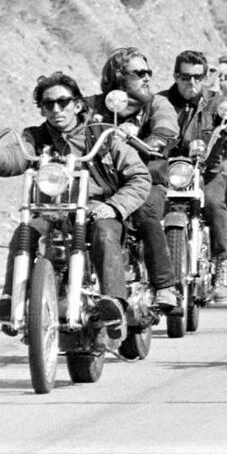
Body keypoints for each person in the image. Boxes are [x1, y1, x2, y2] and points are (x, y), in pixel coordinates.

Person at [0, 72, 152, 342]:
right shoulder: (36, 137)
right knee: (24, 233)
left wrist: (115, 206)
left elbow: (140, 177)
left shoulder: (102, 135)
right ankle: (12, 299)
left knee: (105, 234)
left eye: (63, 102)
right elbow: (15, 157)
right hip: (52, 213)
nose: (56, 109)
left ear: (78, 105)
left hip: (96, 210)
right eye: (49, 104)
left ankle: (114, 303)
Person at [87, 47, 178, 310]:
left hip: (145, 181)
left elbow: (167, 126)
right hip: (102, 185)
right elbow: (70, 122)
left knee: (146, 213)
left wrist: (153, 141)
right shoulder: (93, 106)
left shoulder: (157, 103)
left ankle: (165, 286)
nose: (147, 77)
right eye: (139, 73)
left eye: (149, 72)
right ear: (117, 76)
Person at [159, 50, 227, 300]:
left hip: (206, 172)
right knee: (147, 207)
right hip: (167, 173)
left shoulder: (217, 102)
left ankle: (223, 263)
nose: (191, 82)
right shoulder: (159, 102)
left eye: (197, 77)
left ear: (205, 77)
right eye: (184, 76)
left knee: (214, 204)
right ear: (175, 75)